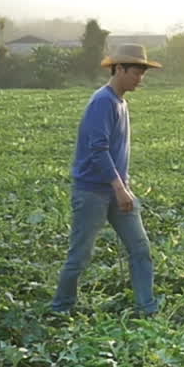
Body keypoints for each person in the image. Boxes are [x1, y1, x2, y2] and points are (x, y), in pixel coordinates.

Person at [50, 43, 161, 318]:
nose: (140, 78)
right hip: (92, 192)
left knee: (140, 249)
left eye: (143, 73)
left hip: (116, 190)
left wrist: (124, 186)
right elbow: (97, 150)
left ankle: (147, 310)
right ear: (119, 69)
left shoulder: (120, 102)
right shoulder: (102, 102)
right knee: (80, 256)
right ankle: (61, 309)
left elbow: (114, 151)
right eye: (136, 72)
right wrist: (120, 189)